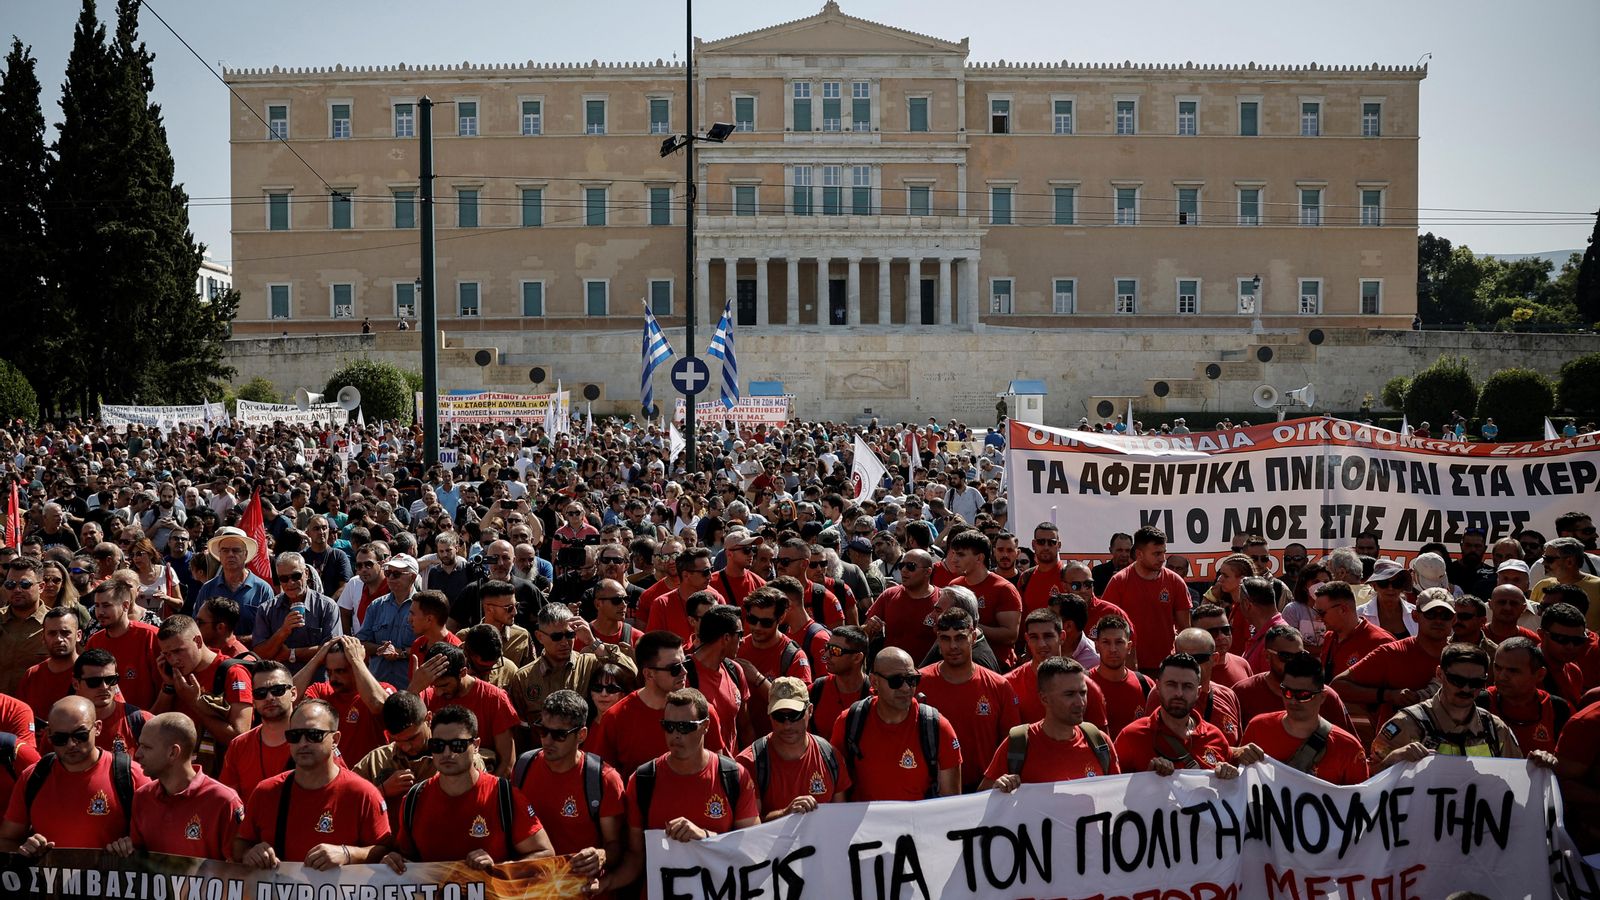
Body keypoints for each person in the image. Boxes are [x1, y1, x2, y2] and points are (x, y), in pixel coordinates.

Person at [609, 687, 758, 887]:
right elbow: (636, 858)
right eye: (668, 726)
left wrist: (704, 837)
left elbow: (752, 847)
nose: (676, 735)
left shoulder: (734, 776)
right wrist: (605, 883)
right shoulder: (643, 780)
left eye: (685, 727)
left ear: (706, 726)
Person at [382, 705, 553, 870]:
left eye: (458, 745)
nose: (448, 753)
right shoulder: (413, 799)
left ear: (476, 745)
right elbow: (407, 860)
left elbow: (545, 854)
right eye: (438, 746)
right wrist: (394, 860)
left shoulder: (504, 796)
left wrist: (499, 869)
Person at [235, 700, 392, 868]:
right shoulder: (266, 792)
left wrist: (347, 854)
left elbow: (385, 852)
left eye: (313, 735)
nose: (302, 743)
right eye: (294, 736)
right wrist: (250, 853)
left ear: (335, 739)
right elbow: (240, 846)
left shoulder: (363, 794)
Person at [0, 696, 151, 855]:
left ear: (98, 728)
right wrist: (24, 849)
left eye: (80, 735)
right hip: (49, 879)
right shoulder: (32, 777)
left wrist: (133, 847)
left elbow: (160, 843)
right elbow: (7, 839)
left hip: (112, 879)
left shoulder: (131, 776)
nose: (71, 744)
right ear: (49, 735)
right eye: (60, 739)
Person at [1371, 643, 1555, 772]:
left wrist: (1537, 765)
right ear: (1439, 674)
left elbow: (1516, 778)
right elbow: (1368, 780)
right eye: (1458, 680)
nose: (1466, 689)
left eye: (1476, 682)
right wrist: (1395, 758)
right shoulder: (1405, 724)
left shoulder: (1495, 729)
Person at [509, 690, 625, 892]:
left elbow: (616, 845)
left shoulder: (603, 779)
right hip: (534, 890)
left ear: (581, 735)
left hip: (581, 891)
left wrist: (601, 855)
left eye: (559, 735)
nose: (547, 740)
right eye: (543, 731)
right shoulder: (523, 767)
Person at [829, 647, 962, 801]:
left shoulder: (937, 727)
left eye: (912, 680)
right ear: (874, 682)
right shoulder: (849, 721)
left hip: (916, 824)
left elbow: (951, 802)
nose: (906, 688)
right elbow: (836, 785)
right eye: (896, 681)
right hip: (865, 824)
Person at [587, 631, 726, 776]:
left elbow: (716, 774)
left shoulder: (703, 712)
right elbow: (603, 780)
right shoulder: (615, 718)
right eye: (675, 668)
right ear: (648, 674)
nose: (684, 672)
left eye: (685, 664)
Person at [916, 606, 1021, 791]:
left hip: (984, 790)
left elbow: (1010, 744)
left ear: (973, 637)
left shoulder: (999, 686)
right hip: (931, 793)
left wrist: (995, 781)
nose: (953, 646)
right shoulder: (918, 684)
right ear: (938, 640)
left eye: (960, 638)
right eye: (945, 639)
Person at [980, 657, 1120, 790]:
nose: (1080, 702)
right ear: (1044, 699)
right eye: (1069, 694)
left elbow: (1115, 797)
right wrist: (998, 788)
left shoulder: (1100, 743)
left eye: (1083, 693)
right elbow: (980, 802)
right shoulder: (1018, 745)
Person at [1113, 654, 1262, 776]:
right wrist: (1148, 778)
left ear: (1198, 692)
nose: (1179, 693)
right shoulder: (1131, 737)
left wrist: (1228, 775)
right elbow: (1112, 792)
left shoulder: (1215, 737)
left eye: (1187, 686)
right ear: (1157, 687)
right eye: (1171, 684)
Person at [122, 712, 245, 859]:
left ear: (173, 752)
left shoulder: (224, 801)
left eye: (146, 747)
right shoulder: (142, 797)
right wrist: (123, 848)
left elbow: (238, 869)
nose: (138, 754)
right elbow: (137, 859)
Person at [1241, 652, 1368, 785]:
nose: (1293, 701)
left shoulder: (1348, 748)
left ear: (1323, 697)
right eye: (1288, 692)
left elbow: (1361, 800)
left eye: (1303, 695)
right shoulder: (1258, 728)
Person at [150, 614, 254, 773]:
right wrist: (169, 687)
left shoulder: (233, 673)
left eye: (178, 651)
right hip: (180, 774)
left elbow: (239, 737)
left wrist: (194, 703)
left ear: (198, 641)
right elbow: (153, 727)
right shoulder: (175, 673)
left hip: (219, 775)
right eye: (167, 654)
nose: (173, 660)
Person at [735, 676, 848, 820]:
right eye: (779, 716)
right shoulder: (749, 763)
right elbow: (748, 829)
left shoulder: (830, 756)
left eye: (795, 715)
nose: (787, 725)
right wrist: (785, 815)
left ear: (810, 710)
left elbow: (841, 818)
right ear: (769, 714)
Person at [506, 601, 638, 725]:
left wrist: (593, 642)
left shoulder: (589, 663)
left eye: (569, 635)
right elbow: (520, 727)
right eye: (556, 637)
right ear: (540, 637)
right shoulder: (524, 678)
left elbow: (630, 672)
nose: (564, 642)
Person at [410, 642, 518, 775]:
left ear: (462, 672)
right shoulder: (425, 696)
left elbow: (507, 762)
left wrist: (487, 792)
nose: (438, 692)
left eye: (444, 685)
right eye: (434, 686)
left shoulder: (495, 699)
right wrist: (413, 689)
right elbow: (400, 731)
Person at [1232, 625, 1357, 735]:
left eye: (1300, 656)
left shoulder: (1324, 695)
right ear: (1267, 656)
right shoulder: (1243, 692)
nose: (1293, 662)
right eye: (1286, 656)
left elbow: (1348, 746)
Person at [1101, 526, 1191, 673]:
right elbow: (1106, 626)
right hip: (1129, 667)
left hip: (1167, 666)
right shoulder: (1119, 582)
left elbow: (1185, 630)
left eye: (1163, 553)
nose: (1162, 558)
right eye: (1156, 554)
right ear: (1139, 554)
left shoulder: (1175, 581)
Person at [294, 636, 395, 767]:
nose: (333, 678)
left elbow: (377, 705)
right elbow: (288, 697)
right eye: (329, 671)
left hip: (372, 779)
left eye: (340, 671)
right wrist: (316, 659)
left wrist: (357, 660)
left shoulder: (384, 689)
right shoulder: (321, 691)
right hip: (333, 780)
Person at [1006, 608, 1109, 727]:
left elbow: (1098, 740)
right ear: (1027, 639)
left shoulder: (1085, 687)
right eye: (1034, 637)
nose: (1042, 644)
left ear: (1062, 637)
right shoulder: (1009, 685)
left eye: (1048, 636)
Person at [219, 661, 299, 801]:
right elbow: (227, 801)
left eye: (277, 690)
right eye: (260, 693)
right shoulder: (239, 745)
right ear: (254, 701)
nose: (269, 698)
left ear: (293, 693)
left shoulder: (313, 738)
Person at [83, 572, 164, 709]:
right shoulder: (94, 642)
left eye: (106, 605)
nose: (100, 612)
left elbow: (165, 686)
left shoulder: (150, 636)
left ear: (125, 605)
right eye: (97, 605)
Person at [943, 530, 1023, 666]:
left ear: (979, 558)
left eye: (961, 554)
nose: (953, 559)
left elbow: (1010, 636)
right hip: (960, 664)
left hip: (995, 665)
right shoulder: (954, 585)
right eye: (953, 553)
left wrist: (969, 626)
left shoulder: (1004, 589)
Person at [254, 552, 342, 672]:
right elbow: (260, 654)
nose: (290, 583)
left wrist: (291, 654)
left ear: (306, 573)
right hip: (280, 686)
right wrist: (283, 632)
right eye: (284, 579)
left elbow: (333, 651)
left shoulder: (327, 606)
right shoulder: (266, 609)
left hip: (316, 684)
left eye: (296, 576)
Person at [1480, 636, 1568, 755]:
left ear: (1540, 675)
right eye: (1498, 667)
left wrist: (1550, 761)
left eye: (1513, 671)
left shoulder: (1558, 709)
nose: (1501, 676)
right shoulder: (1478, 703)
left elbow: (1569, 763)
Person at [194, 526, 275, 641]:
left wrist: (235, 642)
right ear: (220, 555)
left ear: (246, 554)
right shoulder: (207, 588)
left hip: (251, 656)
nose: (230, 554)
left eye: (236, 550)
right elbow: (197, 626)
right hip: (215, 656)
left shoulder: (263, 589)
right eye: (225, 550)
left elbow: (269, 632)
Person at [863, 549, 939, 660]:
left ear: (928, 572)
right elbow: (863, 635)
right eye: (901, 565)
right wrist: (869, 628)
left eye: (911, 566)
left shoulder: (941, 600)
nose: (903, 570)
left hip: (925, 673)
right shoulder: (889, 595)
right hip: (890, 672)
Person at [357, 554, 420, 686]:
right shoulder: (376, 606)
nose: (390, 578)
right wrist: (382, 648)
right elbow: (361, 643)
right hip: (379, 685)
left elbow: (429, 646)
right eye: (388, 573)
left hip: (410, 686)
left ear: (412, 577)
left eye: (396, 574)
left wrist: (400, 653)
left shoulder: (423, 607)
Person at [17, 606, 84, 726]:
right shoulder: (32, 675)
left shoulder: (91, 673)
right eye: (52, 633)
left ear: (78, 635)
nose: (59, 639)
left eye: (65, 633)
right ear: (43, 637)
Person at [1314, 581, 1393, 681]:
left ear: (1343, 609)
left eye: (1321, 613)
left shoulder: (1380, 642)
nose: (1317, 618)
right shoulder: (1329, 636)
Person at [71, 649, 146, 755]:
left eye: (110, 679)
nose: (104, 687)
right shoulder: (62, 726)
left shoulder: (141, 720)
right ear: (75, 684)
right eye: (94, 682)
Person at [1088, 615, 1150, 737]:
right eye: (1106, 642)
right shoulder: (1082, 685)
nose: (1113, 649)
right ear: (1097, 646)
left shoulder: (1145, 685)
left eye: (1119, 642)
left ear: (1129, 646)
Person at [807, 625, 871, 735]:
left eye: (835, 651)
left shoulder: (875, 695)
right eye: (827, 647)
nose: (826, 655)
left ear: (857, 658)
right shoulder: (815, 690)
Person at [0, 557, 49, 697]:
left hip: (35, 710)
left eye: (25, 584)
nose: (17, 590)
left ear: (41, 587)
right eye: (10, 584)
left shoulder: (55, 624)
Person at [1533, 537, 1600, 629]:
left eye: (1549, 559)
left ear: (1570, 561)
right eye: (1543, 558)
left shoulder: (1598, 586)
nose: (1543, 563)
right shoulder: (1541, 586)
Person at [1189, 603, 1253, 688]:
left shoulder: (1243, 664)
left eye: (1225, 630)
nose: (1221, 637)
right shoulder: (1190, 671)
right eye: (1213, 632)